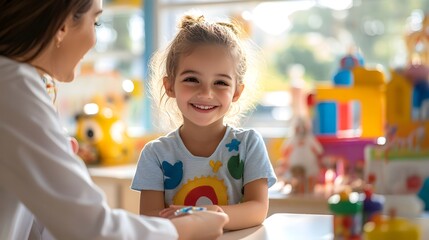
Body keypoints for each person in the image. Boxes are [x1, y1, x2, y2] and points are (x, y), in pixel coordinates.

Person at [0, 1, 228, 239]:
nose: (95, 40)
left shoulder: (20, 84)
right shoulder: (12, 85)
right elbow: (92, 229)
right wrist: (189, 228)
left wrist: (51, 166)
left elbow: (43, 225)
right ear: (62, 25)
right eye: (95, 21)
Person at [131, 14, 277, 231]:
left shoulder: (248, 144)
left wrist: (208, 213)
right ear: (170, 86)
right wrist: (197, 218)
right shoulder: (155, 154)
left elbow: (257, 209)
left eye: (220, 82)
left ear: (236, 92)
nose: (206, 93)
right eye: (192, 79)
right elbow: (150, 219)